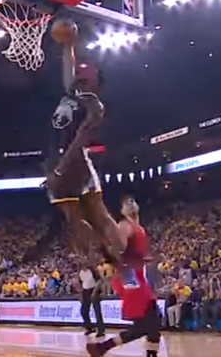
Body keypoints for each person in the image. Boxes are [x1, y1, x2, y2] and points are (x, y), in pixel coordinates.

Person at [45, 39, 121, 259]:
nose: (81, 75)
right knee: (98, 215)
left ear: (96, 84)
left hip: (69, 162)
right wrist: (68, 46)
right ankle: (119, 265)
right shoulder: (75, 96)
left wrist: (59, 169)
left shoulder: (92, 105)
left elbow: (79, 139)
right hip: (74, 162)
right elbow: (69, 72)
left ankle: (94, 268)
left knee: (78, 218)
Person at [86, 196, 160, 357]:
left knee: (148, 323)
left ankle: (102, 348)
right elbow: (118, 252)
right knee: (151, 320)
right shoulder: (124, 226)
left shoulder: (137, 226)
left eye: (133, 200)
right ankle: (103, 348)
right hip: (129, 276)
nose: (131, 203)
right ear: (122, 211)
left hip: (135, 274)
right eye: (126, 203)